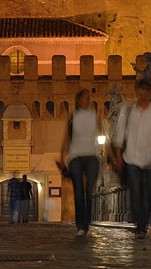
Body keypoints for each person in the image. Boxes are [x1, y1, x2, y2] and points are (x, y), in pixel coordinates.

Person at [113, 79, 151, 238]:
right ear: (136, 92)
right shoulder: (127, 111)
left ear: (149, 92)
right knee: (135, 192)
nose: (143, 94)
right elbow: (119, 135)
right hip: (132, 158)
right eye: (140, 91)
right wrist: (118, 156)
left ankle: (143, 223)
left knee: (147, 194)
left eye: (146, 91)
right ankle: (140, 226)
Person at [60, 88, 100, 236]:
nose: (86, 101)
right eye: (84, 98)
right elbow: (66, 138)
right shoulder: (72, 117)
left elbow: (103, 136)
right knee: (78, 192)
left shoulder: (95, 116)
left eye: (88, 99)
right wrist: (62, 157)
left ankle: (86, 222)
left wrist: (111, 156)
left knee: (89, 192)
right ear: (78, 101)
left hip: (92, 156)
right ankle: (80, 226)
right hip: (75, 156)